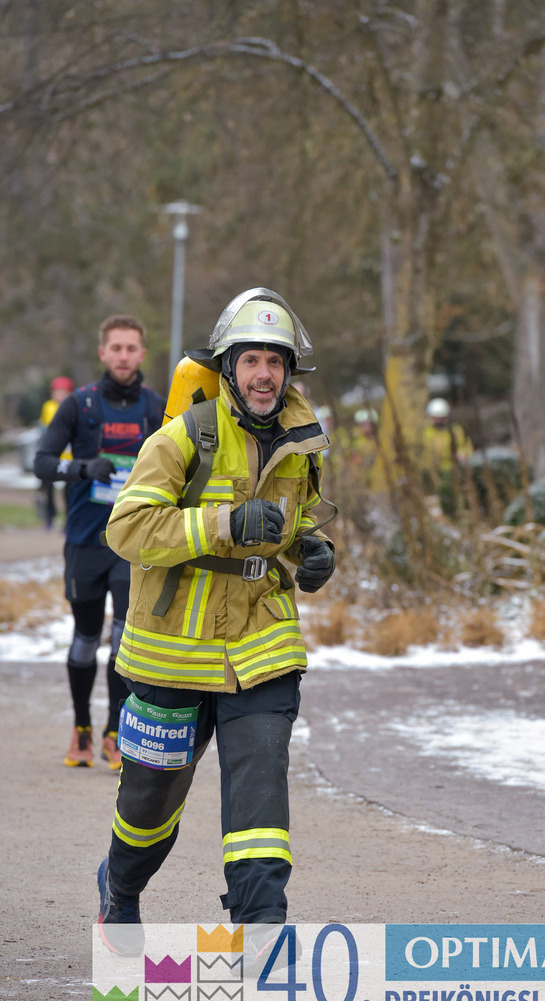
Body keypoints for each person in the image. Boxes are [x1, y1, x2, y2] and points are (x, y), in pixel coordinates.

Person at [96, 287, 336, 959]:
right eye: (251, 359)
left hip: (261, 645)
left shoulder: (303, 441)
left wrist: (311, 554)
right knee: (149, 804)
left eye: (275, 361)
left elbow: (300, 522)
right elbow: (129, 527)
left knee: (259, 794)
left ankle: (262, 930)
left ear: (289, 371)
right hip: (173, 651)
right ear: (227, 367)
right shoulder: (183, 437)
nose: (265, 374)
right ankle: (120, 888)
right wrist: (224, 522)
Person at [34, 316, 165, 771]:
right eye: (117, 348)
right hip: (86, 541)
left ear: (142, 354)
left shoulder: (155, 409)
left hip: (134, 545)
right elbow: (42, 462)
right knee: (86, 637)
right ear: (103, 353)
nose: (124, 356)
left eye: (132, 348)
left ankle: (114, 731)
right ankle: (81, 728)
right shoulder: (79, 404)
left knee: (124, 641)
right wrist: (82, 468)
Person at [36, 376, 74, 529]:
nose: (59, 395)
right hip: (52, 456)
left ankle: (68, 519)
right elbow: (43, 428)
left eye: (62, 392)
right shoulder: (48, 407)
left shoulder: (73, 406)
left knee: (68, 492)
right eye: (56, 392)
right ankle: (49, 516)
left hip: (69, 457)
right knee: (48, 488)